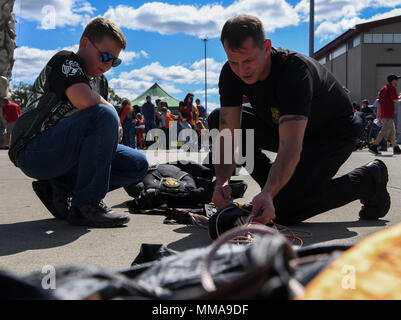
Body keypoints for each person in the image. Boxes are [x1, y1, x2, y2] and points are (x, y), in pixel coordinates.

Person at [210, 15, 390, 226]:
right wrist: (222, 181)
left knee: (283, 211)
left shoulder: (293, 72)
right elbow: (228, 135)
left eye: (248, 60)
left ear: (266, 47)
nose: (242, 70)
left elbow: (291, 144)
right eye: (234, 62)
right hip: (283, 127)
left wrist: (268, 193)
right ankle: (281, 190)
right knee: (216, 118)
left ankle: (368, 179)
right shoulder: (231, 74)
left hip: (332, 134)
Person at [8, 17, 149, 228]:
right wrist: (112, 114)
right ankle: (86, 205)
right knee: (104, 113)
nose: (108, 64)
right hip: (32, 151)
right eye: (105, 56)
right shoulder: (66, 61)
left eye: (115, 61)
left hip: (65, 154)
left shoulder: (100, 82)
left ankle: (59, 187)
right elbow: (84, 99)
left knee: (138, 164)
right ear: (84, 43)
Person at [369, 74, 401, 155]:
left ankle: (396, 148)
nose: (397, 81)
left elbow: (379, 102)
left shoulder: (384, 88)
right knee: (384, 131)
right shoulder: (391, 88)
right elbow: (395, 99)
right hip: (389, 114)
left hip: (384, 114)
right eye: (396, 79)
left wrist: (379, 115)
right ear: (392, 80)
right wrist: (400, 96)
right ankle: (374, 146)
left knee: (392, 132)